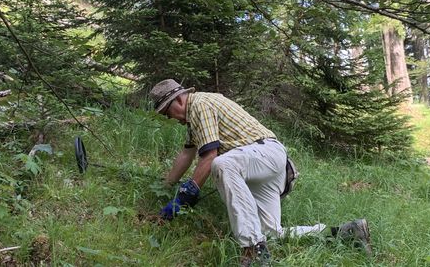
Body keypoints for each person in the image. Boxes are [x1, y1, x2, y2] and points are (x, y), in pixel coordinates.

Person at [149, 79, 372, 266]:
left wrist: (188, 193)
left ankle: (253, 250)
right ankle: (345, 232)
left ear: (178, 99)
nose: (170, 118)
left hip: (263, 153)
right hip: (261, 162)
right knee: (272, 232)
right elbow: (187, 154)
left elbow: (209, 156)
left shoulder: (199, 104)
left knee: (221, 164)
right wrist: (166, 186)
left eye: (168, 112)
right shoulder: (195, 118)